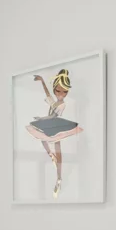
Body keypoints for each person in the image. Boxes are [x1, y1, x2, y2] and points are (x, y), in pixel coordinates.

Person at [25, 69, 83, 199]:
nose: (61, 94)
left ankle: (59, 177)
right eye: (58, 91)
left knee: (57, 149)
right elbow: (48, 95)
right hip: (50, 124)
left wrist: (41, 118)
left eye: (64, 92)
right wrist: (42, 81)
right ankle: (52, 157)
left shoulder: (62, 104)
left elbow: (52, 116)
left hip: (57, 125)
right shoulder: (55, 102)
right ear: (54, 90)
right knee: (43, 139)